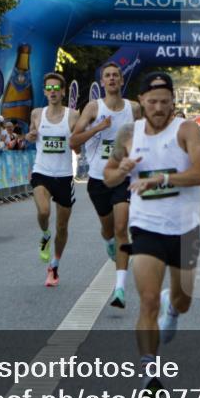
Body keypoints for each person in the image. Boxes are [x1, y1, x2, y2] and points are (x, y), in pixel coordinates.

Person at [101, 72, 200, 392]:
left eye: (165, 101)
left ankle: (173, 308)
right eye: (153, 102)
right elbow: (108, 177)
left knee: (183, 299)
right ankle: (150, 374)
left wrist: (160, 180)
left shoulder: (187, 130)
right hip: (146, 225)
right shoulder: (128, 134)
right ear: (142, 103)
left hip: (185, 228)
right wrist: (120, 169)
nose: (159, 108)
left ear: (173, 102)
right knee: (146, 300)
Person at [69, 62, 141, 309]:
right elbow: (73, 142)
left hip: (124, 178)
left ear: (122, 81)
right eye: (107, 76)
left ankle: (119, 288)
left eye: (115, 76)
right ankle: (109, 242)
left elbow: (148, 136)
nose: (111, 79)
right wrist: (98, 127)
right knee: (109, 230)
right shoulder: (92, 107)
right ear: (102, 82)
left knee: (122, 227)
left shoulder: (134, 108)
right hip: (98, 180)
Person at [26, 72, 80, 288]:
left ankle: (54, 266)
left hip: (64, 175)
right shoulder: (37, 113)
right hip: (42, 172)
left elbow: (77, 141)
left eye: (57, 88)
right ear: (45, 91)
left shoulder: (74, 115)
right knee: (44, 212)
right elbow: (32, 133)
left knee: (63, 226)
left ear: (63, 92)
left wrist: (77, 144)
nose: (53, 92)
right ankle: (45, 235)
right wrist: (30, 135)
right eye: (49, 88)